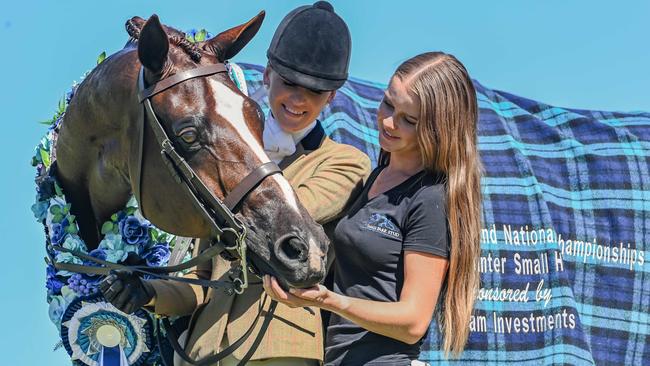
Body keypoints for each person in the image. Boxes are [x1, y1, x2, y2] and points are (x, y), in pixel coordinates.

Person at [100, 2, 370, 365]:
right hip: (203, 351)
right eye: (289, 83)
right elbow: (199, 285)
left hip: (279, 349)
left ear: (332, 97)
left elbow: (288, 211)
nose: (298, 100)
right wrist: (146, 291)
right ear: (268, 74)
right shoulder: (219, 164)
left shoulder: (346, 162)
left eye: (315, 92)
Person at [263, 51, 483, 365]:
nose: (389, 122)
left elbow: (412, 322)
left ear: (438, 128)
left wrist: (331, 301)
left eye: (409, 120)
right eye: (388, 103)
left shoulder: (430, 197)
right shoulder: (377, 176)